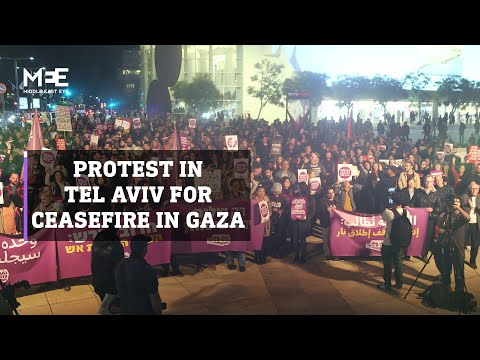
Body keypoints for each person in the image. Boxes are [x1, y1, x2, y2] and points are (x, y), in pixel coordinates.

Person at [115, 235, 163, 315]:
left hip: (125, 310)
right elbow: (154, 299)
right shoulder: (148, 270)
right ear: (144, 249)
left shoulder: (120, 264)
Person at [436, 195, 470, 293]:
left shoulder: (462, 214)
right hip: (447, 244)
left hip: (458, 246)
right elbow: (440, 225)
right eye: (453, 202)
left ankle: (459, 290)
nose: (455, 203)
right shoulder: (447, 214)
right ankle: (446, 287)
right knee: (446, 269)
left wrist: (459, 208)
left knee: (459, 270)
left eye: (457, 202)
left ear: (461, 204)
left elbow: (468, 218)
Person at [377, 193, 410, 291]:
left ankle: (387, 284)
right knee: (398, 263)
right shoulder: (406, 212)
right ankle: (399, 283)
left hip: (388, 242)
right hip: (400, 243)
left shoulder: (389, 212)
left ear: (393, 201)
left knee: (387, 264)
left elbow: (383, 218)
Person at [91, 227, 125, 301]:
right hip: (111, 286)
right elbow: (120, 268)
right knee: (115, 308)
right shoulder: (116, 245)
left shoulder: (98, 239)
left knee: (106, 305)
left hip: (97, 283)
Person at [461, 182, 480, 269]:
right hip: (466, 223)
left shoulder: (479, 198)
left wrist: (474, 207)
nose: (474, 190)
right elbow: (462, 208)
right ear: (469, 189)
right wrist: (470, 207)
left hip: (476, 224)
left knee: (475, 244)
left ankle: (472, 261)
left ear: (478, 189)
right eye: (472, 188)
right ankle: (461, 259)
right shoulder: (465, 197)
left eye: (476, 188)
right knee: (463, 242)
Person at [317, 186, 339, 260]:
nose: (331, 194)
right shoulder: (322, 201)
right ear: (327, 194)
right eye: (329, 193)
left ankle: (334, 253)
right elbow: (320, 212)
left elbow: (341, 210)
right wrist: (327, 211)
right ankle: (327, 255)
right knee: (326, 239)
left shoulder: (337, 201)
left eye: (332, 192)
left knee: (334, 239)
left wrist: (337, 209)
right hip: (325, 223)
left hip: (335, 224)